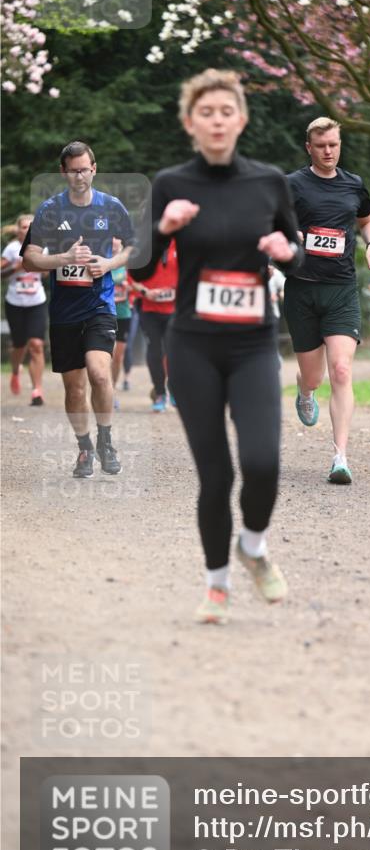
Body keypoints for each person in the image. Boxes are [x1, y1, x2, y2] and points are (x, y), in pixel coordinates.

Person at [130, 69, 304, 625]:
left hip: (253, 343)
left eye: (226, 111)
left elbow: (297, 250)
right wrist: (163, 225)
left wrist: (286, 252)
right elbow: (141, 264)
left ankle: (252, 546)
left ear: (241, 119)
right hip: (193, 346)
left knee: (262, 462)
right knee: (216, 476)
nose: (217, 121)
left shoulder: (270, 182)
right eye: (205, 113)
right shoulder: (171, 182)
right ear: (190, 123)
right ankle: (216, 586)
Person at [21, 141, 135, 477]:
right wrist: (64, 259)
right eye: (73, 170)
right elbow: (29, 259)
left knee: (99, 372)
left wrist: (109, 263)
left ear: (94, 169)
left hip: (100, 304)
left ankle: (106, 440)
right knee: (75, 387)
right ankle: (85, 448)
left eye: (85, 169)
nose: (80, 176)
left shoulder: (111, 206)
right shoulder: (50, 210)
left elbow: (133, 246)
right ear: (63, 172)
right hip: (64, 312)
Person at [285, 117, 370, 485]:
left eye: (334, 145)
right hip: (302, 289)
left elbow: (367, 220)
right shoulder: (292, 184)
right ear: (309, 147)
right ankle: (304, 388)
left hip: (341, 288)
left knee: (341, 370)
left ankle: (340, 457)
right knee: (315, 375)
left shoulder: (354, 184)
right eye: (321, 145)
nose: (328, 151)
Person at [1, 214, 47, 405]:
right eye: (24, 226)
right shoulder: (11, 249)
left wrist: (41, 266)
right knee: (19, 345)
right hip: (15, 302)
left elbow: (47, 273)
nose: (27, 230)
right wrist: (17, 266)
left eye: (31, 226)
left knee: (36, 344)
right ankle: (15, 371)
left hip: (37, 301)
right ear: (18, 230)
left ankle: (37, 390)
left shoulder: (43, 248)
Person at [130, 238, 178, 412]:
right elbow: (130, 278)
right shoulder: (143, 246)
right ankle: (159, 392)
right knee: (155, 350)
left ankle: (174, 390)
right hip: (148, 308)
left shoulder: (180, 243)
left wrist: (175, 290)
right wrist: (145, 291)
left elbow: (191, 271)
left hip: (174, 309)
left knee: (174, 350)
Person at [109, 244, 132, 409]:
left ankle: (113, 388)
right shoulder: (101, 261)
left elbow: (136, 283)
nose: (114, 243)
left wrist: (129, 286)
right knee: (107, 354)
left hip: (124, 313)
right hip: (105, 313)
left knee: (118, 357)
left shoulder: (128, 264)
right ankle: (107, 391)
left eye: (117, 241)